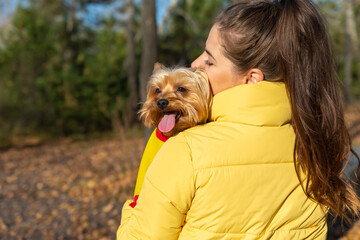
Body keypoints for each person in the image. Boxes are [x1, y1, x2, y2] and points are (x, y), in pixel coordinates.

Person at [117, 0, 360, 239]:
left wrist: (135, 208)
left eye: (209, 60)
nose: (195, 64)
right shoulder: (313, 146)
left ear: (252, 77)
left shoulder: (186, 151)